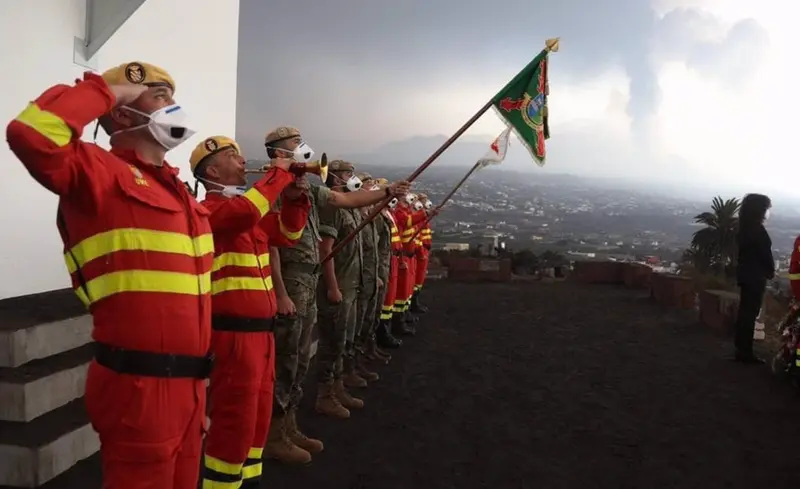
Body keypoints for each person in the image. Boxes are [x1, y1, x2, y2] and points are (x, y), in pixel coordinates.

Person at [7, 61, 211, 489]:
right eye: (160, 96)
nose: (174, 107)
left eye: (173, 97)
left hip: (188, 390)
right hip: (138, 389)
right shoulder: (98, 172)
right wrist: (106, 88)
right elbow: (32, 134)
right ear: (122, 111)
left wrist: (197, 394)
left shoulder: (183, 197)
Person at [265, 127, 410, 460]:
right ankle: (274, 434)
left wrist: (387, 191)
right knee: (285, 363)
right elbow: (270, 245)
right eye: (293, 148)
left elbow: (347, 199)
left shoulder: (312, 193)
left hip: (308, 283)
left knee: (301, 361)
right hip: (290, 284)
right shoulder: (271, 191)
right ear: (278, 154)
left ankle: (289, 426)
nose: (303, 151)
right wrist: (279, 292)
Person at [190, 136, 310, 488]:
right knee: (234, 418)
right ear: (212, 170)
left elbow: (290, 233)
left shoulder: (249, 211)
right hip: (233, 335)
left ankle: (250, 479)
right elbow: (245, 212)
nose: (243, 162)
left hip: (262, 334)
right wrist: (278, 175)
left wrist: (295, 198)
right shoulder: (208, 211)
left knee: (257, 417)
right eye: (232, 157)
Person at [348, 172, 382, 385]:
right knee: (349, 330)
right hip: (351, 281)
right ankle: (345, 372)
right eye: (367, 186)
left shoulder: (368, 219)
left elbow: (371, 252)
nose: (370, 190)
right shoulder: (351, 217)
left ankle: (358, 361)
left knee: (364, 321)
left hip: (366, 277)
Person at [734, 193, 774, 364]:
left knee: (744, 313)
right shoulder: (758, 231)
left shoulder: (744, 228)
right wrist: (769, 271)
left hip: (745, 275)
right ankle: (746, 353)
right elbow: (765, 255)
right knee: (750, 314)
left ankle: (741, 349)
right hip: (755, 277)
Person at [361, 177, 399, 356]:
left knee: (374, 313)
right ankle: (358, 357)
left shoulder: (383, 214)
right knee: (364, 316)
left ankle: (370, 348)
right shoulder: (371, 216)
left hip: (381, 266)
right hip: (368, 272)